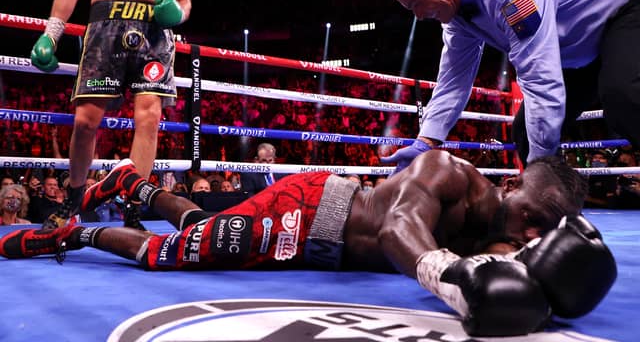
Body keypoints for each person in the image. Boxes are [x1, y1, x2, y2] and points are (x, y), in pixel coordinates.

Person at [0, 151, 616, 337]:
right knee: (168, 253)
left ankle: (134, 186)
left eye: (540, 233)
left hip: (327, 249)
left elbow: (511, 286)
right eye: (533, 220)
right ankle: (72, 233)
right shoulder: (445, 173)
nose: (528, 237)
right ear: (517, 194)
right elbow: (401, 229)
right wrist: (447, 274)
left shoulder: (510, 235)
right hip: (312, 209)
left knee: (200, 234)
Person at [382, 0, 638, 171]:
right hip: (578, 49)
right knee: (526, 135)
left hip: (622, 9)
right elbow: (453, 80)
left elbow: (541, 79)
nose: (417, 16)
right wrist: (425, 142)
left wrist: (538, 171)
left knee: (624, 97)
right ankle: (561, 219)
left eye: (416, 4)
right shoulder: (456, 15)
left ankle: (544, 187)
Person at [29, 0, 191, 229]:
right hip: (106, 28)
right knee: (86, 122)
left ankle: (133, 207)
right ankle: (72, 203)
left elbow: (184, 1)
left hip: (154, 35)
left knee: (149, 119)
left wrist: (176, 13)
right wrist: (50, 34)